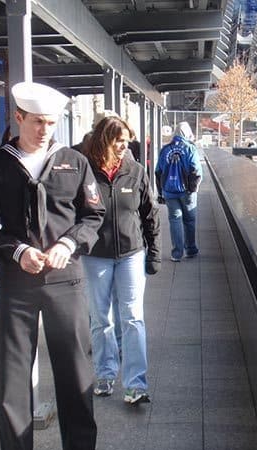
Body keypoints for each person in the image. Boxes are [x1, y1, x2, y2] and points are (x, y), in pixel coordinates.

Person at [0, 81, 105, 450]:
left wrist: (68, 242)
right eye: (38, 122)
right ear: (18, 118)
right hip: (15, 281)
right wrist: (15, 250)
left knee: (76, 369)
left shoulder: (74, 162)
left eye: (51, 122)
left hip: (65, 279)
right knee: (11, 378)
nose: (45, 130)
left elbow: (92, 217)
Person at [82, 115, 161, 404]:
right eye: (119, 142)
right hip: (95, 255)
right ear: (105, 140)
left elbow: (150, 214)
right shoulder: (85, 170)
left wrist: (154, 254)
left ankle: (136, 384)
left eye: (126, 143)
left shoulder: (135, 171)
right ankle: (104, 375)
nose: (124, 148)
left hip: (131, 254)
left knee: (133, 318)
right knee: (101, 318)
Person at [155, 121, 202, 262]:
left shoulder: (165, 149)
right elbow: (196, 171)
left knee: (174, 220)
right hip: (187, 192)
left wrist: (161, 192)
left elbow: (158, 171)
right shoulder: (190, 149)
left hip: (169, 191)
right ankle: (191, 249)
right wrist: (192, 189)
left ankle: (176, 253)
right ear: (187, 134)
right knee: (189, 220)